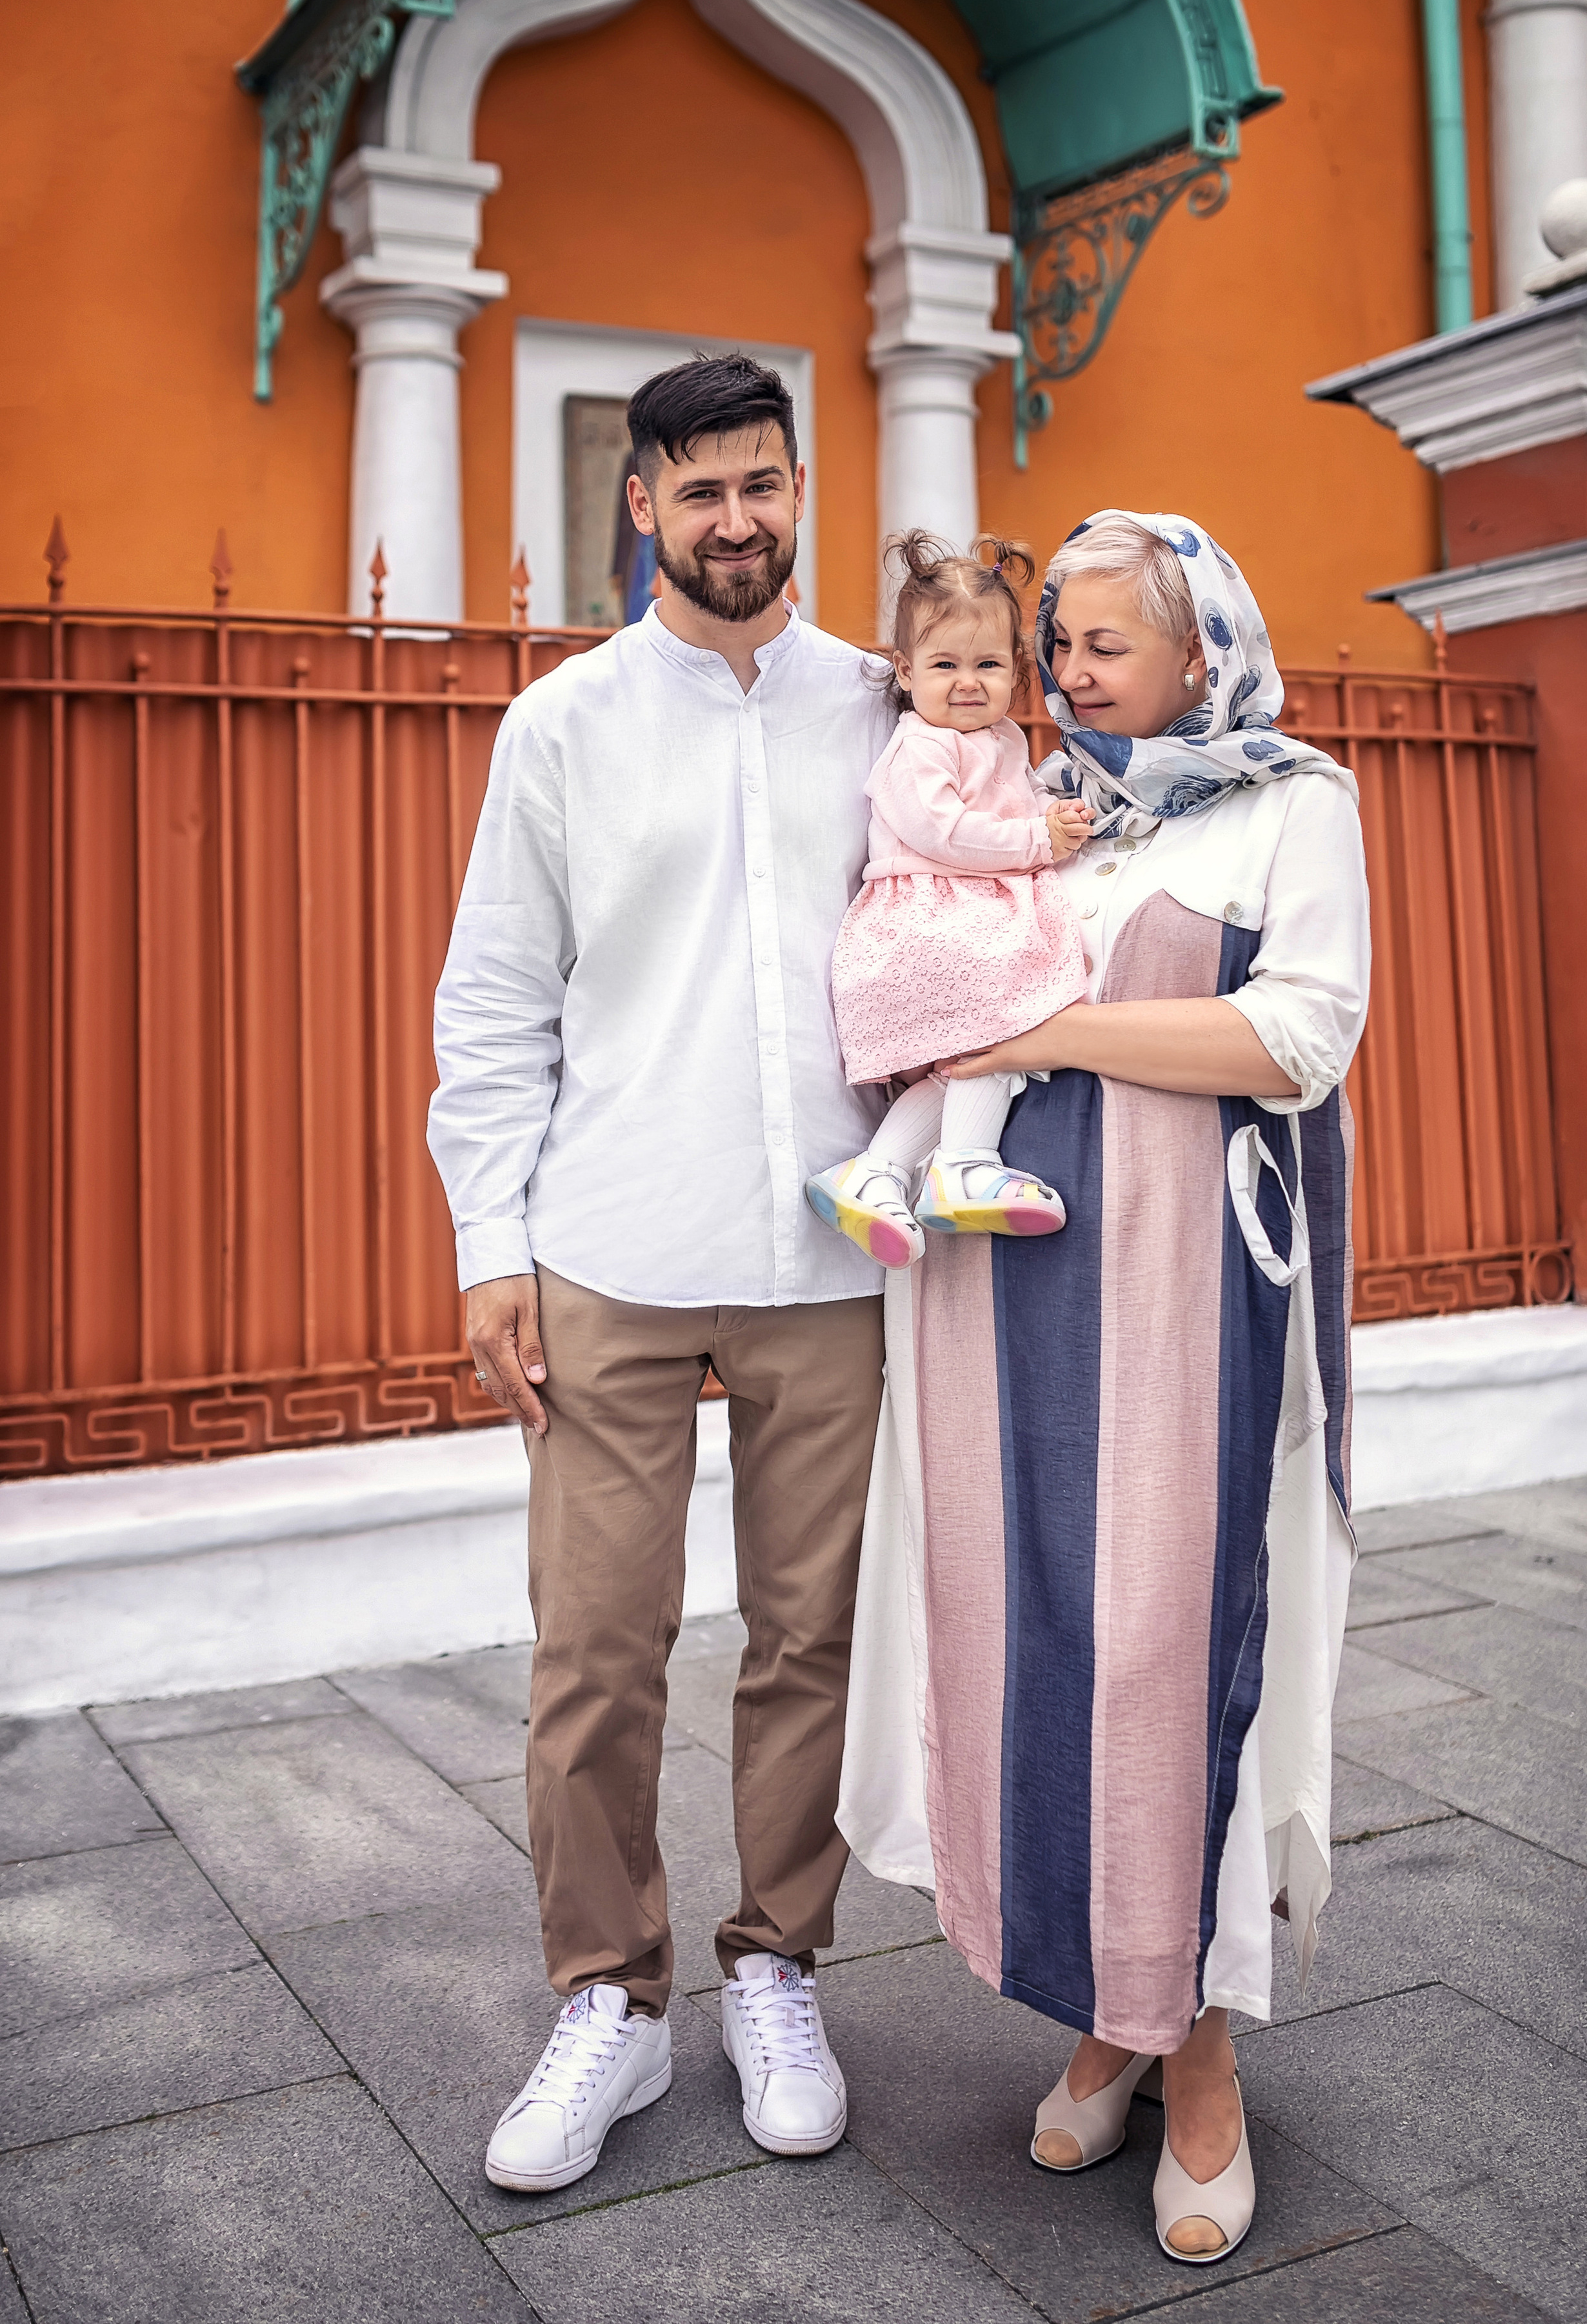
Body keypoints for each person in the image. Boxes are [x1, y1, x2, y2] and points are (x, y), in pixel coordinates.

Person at [838, 510, 1370, 2267]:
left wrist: (1047, 1037)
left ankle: (1197, 2049)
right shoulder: (1042, 811)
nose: (1067, 674)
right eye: (1054, 645)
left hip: (1184, 1287)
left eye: (1100, 646)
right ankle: (1111, 2006)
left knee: (1165, 1645)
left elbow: (1299, 1038)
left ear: (1202, 650)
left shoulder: (1298, 804)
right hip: (1006, 1287)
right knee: (1038, 1647)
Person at [428, 352, 893, 2194]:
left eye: (762, 484)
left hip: (834, 1254)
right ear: (642, 506)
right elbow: (494, 1002)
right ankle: (610, 2006)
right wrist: (489, 1246)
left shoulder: (887, 704)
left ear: (800, 489)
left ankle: (778, 1965)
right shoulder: (560, 726)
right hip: (610, 1243)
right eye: (697, 491)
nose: (735, 520)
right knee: (593, 1656)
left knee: (813, 1644)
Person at [805, 532, 1092, 1268]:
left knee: (963, 1061)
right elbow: (944, 831)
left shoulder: (1000, 739)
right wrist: (1036, 841)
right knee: (1001, 1033)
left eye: (988, 664)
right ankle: (963, 1164)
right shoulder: (918, 746)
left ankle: (874, 1173)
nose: (967, 682)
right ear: (905, 671)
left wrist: (1053, 813)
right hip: (929, 922)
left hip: (956, 921)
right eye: (944, 665)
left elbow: (1019, 802)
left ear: (1016, 672)